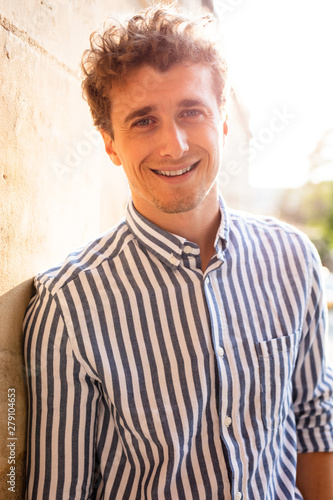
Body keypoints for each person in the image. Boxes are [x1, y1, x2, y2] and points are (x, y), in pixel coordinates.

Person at [24, 4, 333, 499]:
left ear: (224, 120)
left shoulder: (294, 259)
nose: (174, 144)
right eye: (143, 120)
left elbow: (316, 423)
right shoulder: (68, 306)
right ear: (108, 143)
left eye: (192, 111)